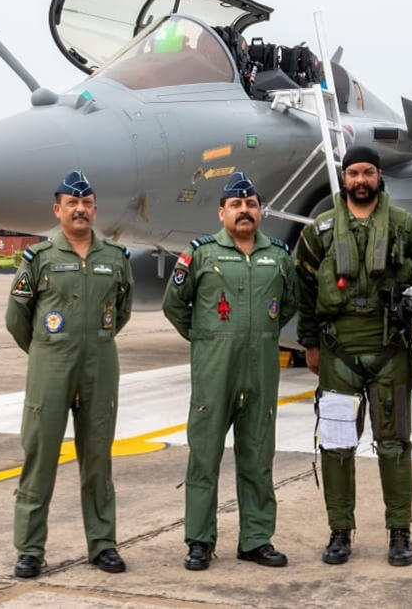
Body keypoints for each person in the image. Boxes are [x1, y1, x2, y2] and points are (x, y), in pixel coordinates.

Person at [295, 145, 412, 567]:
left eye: (368, 173)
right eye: (354, 174)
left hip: (391, 351)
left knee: (395, 446)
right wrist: (309, 343)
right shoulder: (321, 231)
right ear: (344, 179)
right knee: (336, 445)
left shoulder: (404, 227)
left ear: (379, 177)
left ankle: (399, 533)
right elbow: (305, 287)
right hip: (337, 353)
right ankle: (339, 532)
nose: (361, 181)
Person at [162, 171, 298, 571]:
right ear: (222, 212)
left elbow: (288, 304)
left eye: (251, 204)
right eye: (236, 205)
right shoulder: (200, 254)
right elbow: (175, 305)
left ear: (260, 212)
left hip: (260, 371)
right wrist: (207, 339)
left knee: (258, 456)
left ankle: (256, 539)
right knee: (203, 458)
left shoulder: (277, 255)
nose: (244, 210)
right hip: (213, 373)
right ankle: (200, 541)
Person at [5, 170, 134, 578]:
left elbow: (122, 311)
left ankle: (103, 544)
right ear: (57, 209)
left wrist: (91, 342)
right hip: (51, 367)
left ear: (95, 209)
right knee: (40, 456)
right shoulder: (39, 258)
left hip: (100, 366)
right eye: (72, 203)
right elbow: (16, 318)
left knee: (98, 458)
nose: (80, 209)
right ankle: (29, 549)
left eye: (87, 203)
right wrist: (46, 351)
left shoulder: (115, 258)